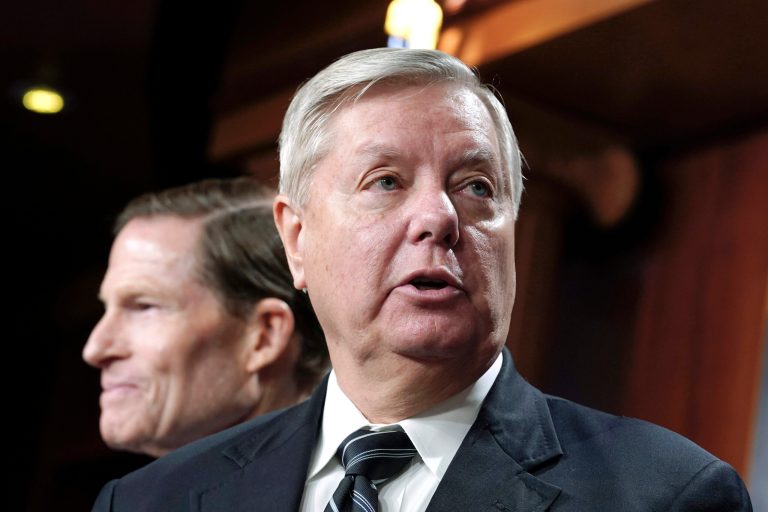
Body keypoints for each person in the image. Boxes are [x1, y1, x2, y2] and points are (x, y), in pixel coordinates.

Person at [90, 49, 752, 510]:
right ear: (297, 237)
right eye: (386, 182)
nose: (439, 216)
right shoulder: (151, 499)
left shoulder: (666, 494)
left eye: (475, 186)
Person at [83, 177, 327, 457]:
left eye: (144, 307)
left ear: (264, 335)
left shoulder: (349, 495)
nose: (95, 350)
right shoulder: (133, 499)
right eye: (107, 308)